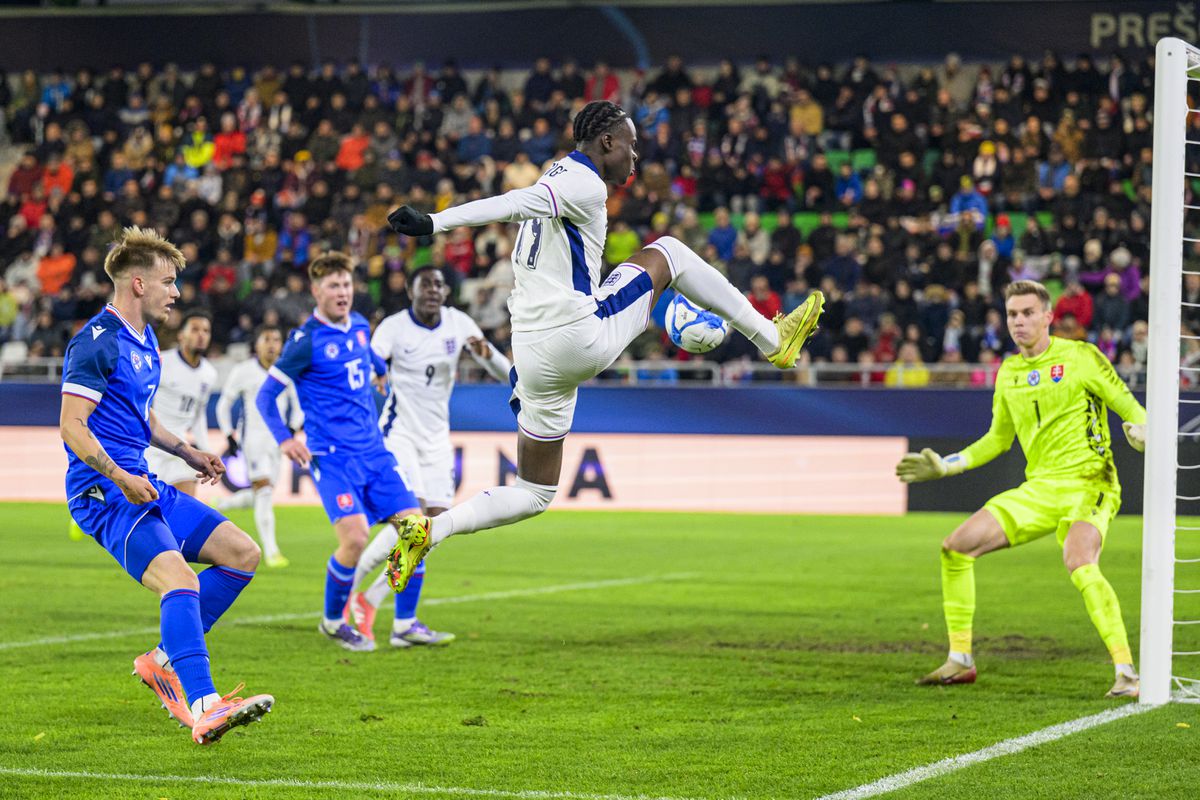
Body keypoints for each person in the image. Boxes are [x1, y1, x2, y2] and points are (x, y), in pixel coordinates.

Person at [383, 100, 824, 592]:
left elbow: (527, 203)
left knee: (535, 491)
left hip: (531, 355)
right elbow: (513, 202)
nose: (635, 157)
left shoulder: (558, 174)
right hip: (574, 335)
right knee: (670, 252)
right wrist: (434, 222)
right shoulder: (583, 181)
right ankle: (773, 338)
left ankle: (432, 529)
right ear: (607, 141)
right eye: (631, 146)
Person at [60, 226, 272, 744]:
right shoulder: (97, 342)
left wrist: (186, 451)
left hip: (145, 481)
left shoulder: (147, 340)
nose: (176, 292)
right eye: (168, 282)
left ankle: (163, 659)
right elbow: (71, 425)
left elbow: (144, 418)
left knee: (242, 554)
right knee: (181, 581)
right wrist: (119, 476)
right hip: (103, 492)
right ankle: (204, 705)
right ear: (138, 284)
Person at [896, 280, 1146, 698]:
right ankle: (960, 660)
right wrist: (947, 464)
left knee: (1079, 559)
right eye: (1012, 314)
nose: (1019, 321)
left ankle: (1126, 673)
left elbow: (1130, 406)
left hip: (1090, 482)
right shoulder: (1009, 373)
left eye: (1028, 313)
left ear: (1048, 316)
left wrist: (1143, 430)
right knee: (956, 548)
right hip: (1039, 489)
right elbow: (997, 440)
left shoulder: (1081, 356)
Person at [255, 251, 421, 653]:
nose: (342, 291)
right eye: (333, 285)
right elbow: (265, 397)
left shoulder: (360, 326)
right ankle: (333, 621)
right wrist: (285, 439)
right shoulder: (305, 341)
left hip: (374, 452)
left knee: (416, 533)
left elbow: (365, 355)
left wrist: (380, 369)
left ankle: (404, 623)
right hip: (332, 457)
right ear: (316, 291)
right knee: (356, 538)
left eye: (346, 284)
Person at [345, 265, 511, 647]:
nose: (433, 290)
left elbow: (488, 355)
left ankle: (383, 609)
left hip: (437, 439)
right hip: (399, 433)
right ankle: (353, 597)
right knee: (414, 524)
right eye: (426, 285)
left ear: (446, 292)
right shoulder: (394, 327)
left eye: (439, 284)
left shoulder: (457, 322)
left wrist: (517, 381)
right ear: (410, 290)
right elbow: (371, 361)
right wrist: (373, 374)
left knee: (432, 531)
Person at [214, 324, 303, 568]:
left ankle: (225, 504)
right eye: (267, 339)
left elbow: (298, 406)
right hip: (252, 440)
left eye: (276, 339)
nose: (272, 344)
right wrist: (228, 434)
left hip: (278, 442)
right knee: (264, 491)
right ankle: (272, 552)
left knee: (262, 494)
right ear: (257, 344)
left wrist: (293, 429)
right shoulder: (244, 371)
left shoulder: (286, 370)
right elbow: (224, 404)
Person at [145, 311, 218, 496]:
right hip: (151, 447)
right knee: (147, 507)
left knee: (186, 505)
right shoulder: (161, 362)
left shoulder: (209, 374)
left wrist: (205, 449)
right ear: (180, 335)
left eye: (206, 331)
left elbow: (198, 415)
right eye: (194, 329)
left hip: (181, 450)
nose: (201, 335)